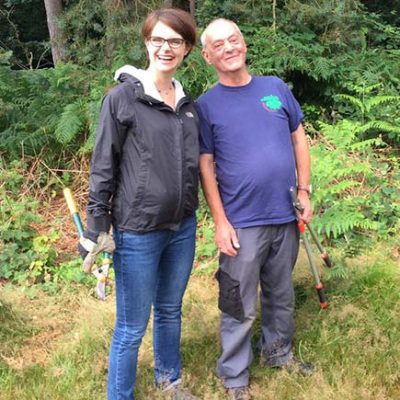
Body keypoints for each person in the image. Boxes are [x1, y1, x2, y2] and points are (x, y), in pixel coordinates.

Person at [78, 8, 200, 400]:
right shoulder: (122, 99)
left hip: (181, 227)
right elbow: (102, 166)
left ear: (187, 49)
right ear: (147, 43)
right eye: (158, 39)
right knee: (131, 327)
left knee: (169, 310)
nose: (166, 48)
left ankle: (170, 382)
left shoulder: (187, 104)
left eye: (175, 41)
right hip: (136, 232)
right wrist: (97, 226)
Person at [197, 18, 314, 400]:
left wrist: (305, 191)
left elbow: (299, 139)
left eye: (235, 39)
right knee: (238, 302)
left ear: (244, 45)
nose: (229, 47)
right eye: (220, 44)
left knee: (280, 293)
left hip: (284, 213)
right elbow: (205, 165)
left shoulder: (274, 88)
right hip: (241, 223)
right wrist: (219, 220)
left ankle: (278, 352)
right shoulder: (206, 105)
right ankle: (234, 376)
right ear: (207, 55)